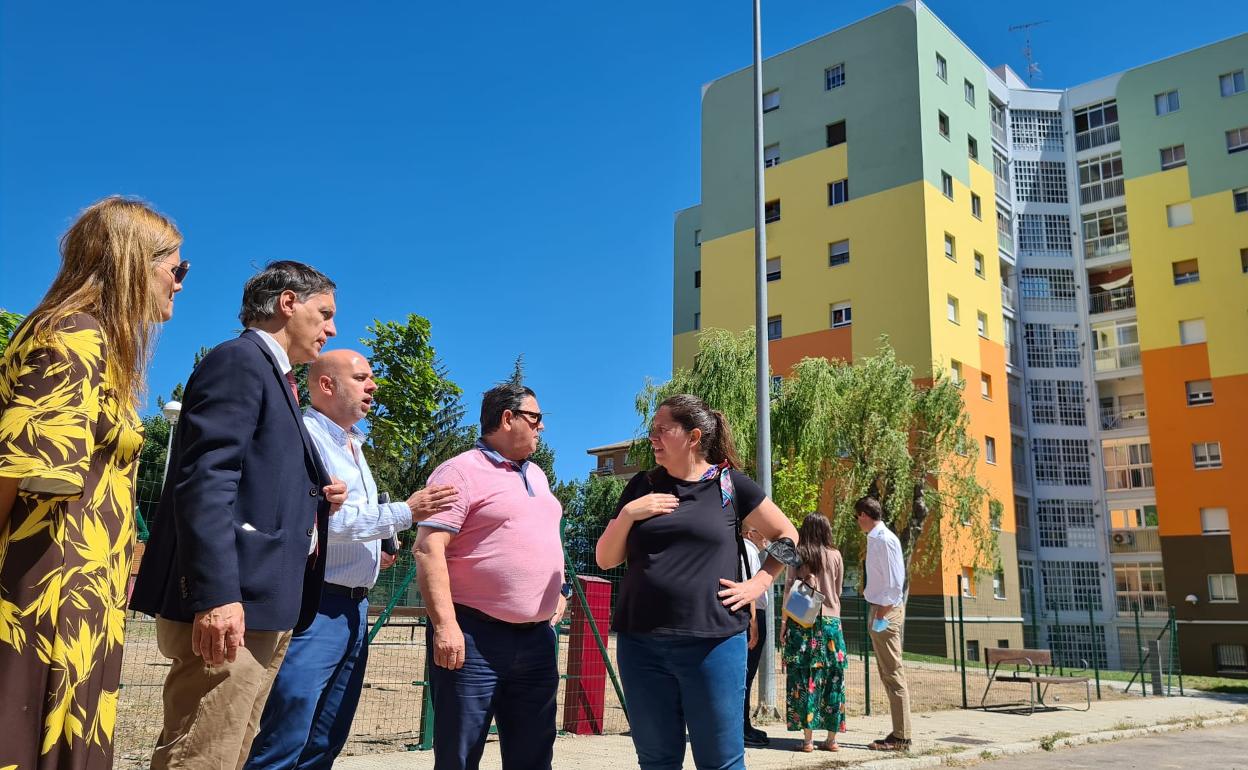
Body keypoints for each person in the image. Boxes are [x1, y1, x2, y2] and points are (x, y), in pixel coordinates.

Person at [130, 260, 348, 769]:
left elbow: (251, 478)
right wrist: (216, 595)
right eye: (325, 313)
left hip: (262, 608)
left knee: (228, 752)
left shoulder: (273, 375)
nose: (332, 328)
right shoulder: (239, 361)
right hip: (231, 608)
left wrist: (313, 495)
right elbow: (205, 479)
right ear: (288, 303)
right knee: (202, 754)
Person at [0, 196, 185, 769]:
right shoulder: (72, 337)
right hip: (43, 591)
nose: (179, 284)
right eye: (175, 268)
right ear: (132, 262)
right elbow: (14, 475)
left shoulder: (99, 344)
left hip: (82, 589)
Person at [244, 349, 459, 769]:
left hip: (354, 609)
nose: (373, 386)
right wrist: (406, 512)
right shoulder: (304, 438)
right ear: (326, 385)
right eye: (361, 378)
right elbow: (315, 521)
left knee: (327, 736)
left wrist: (378, 548)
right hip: (314, 606)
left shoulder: (353, 444)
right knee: (285, 734)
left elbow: (349, 520)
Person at [595, 394, 799, 770]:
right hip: (641, 646)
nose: (652, 437)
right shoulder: (642, 486)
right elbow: (606, 559)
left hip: (713, 646)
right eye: (652, 429)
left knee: (720, 762)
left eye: (662, 429)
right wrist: (627, 514)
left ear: (692, 436)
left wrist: (758, 584)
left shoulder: (729, 485)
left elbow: (787, 534)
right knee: (656, 761)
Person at [413, 382, 566, 770]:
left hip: (536, 641)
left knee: (533, 756)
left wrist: (560, 590)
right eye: (536, 418)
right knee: (460, 756)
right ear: (507, 418)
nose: (541, 427)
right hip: (474, 638)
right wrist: (445, 626)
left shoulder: (538, 476)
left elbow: (541, 540)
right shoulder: (459, 472)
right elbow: (429, 549)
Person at [780, 512, 847, 752]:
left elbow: (788, 589)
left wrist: (784, 625)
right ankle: (831, 739)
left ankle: (807, 740)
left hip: (802, 622)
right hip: (830, 623)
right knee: (833, 679)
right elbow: (837, 590)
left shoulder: (797, 555)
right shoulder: (836, 555)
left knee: (803, 679)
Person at [856, 495, 911, 752]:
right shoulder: (876, 538)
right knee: (888, 674)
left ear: (865, 515)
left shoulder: (885, 540)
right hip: (880, 610)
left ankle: (901, 737)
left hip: (885, 612)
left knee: (893, 674)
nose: (857, 521)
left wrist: (881, 613)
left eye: (858, 516)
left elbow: (894, 583)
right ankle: (899, 732)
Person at [742, 527, 770, 748]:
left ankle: (743, 724)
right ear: (751, 533)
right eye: (762, 532)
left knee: (745, 674)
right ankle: (742, 726)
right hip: (752, 616)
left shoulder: (747, 550)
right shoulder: (749, 551)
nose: (766, 537)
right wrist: (753, 622)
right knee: (746, 675)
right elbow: (749, 588)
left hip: (750, 615)